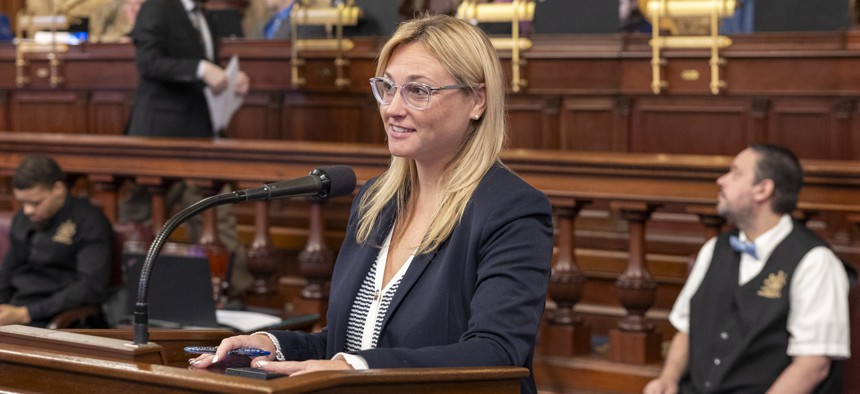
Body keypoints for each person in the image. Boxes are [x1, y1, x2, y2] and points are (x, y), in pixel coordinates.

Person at [190, 13, 553, 394]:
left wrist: (357, 368)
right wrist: (275, 347)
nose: (393, 108)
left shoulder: (512, 210)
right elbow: (350, 346)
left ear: (476, 100)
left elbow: (496, 352)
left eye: (418, 91)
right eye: (387, 87)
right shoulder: (375, 201)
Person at [643, 143, 853, 394]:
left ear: (763, 189)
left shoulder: (815, 261)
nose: (721, 180)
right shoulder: (714, 249)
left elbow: (812, 366)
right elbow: (686, 329)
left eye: (735, 173)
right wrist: (668, 379)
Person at [0, 155, 114, 327]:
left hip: (58, 315)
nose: (28, 210)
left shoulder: (89, 220)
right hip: (18, 307)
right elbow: (9, 269)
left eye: (36, 202)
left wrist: (28, 313)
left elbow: (91, 287)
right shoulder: (23, 219)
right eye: (23, 203)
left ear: (58, 189)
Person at [127, 0, 249, 138]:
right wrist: (201, 69)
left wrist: (230, 78)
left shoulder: (205, 16)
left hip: (199, 127)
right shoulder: (156, 7)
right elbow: (148, 62)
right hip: (163, 130)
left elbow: (203, 61)